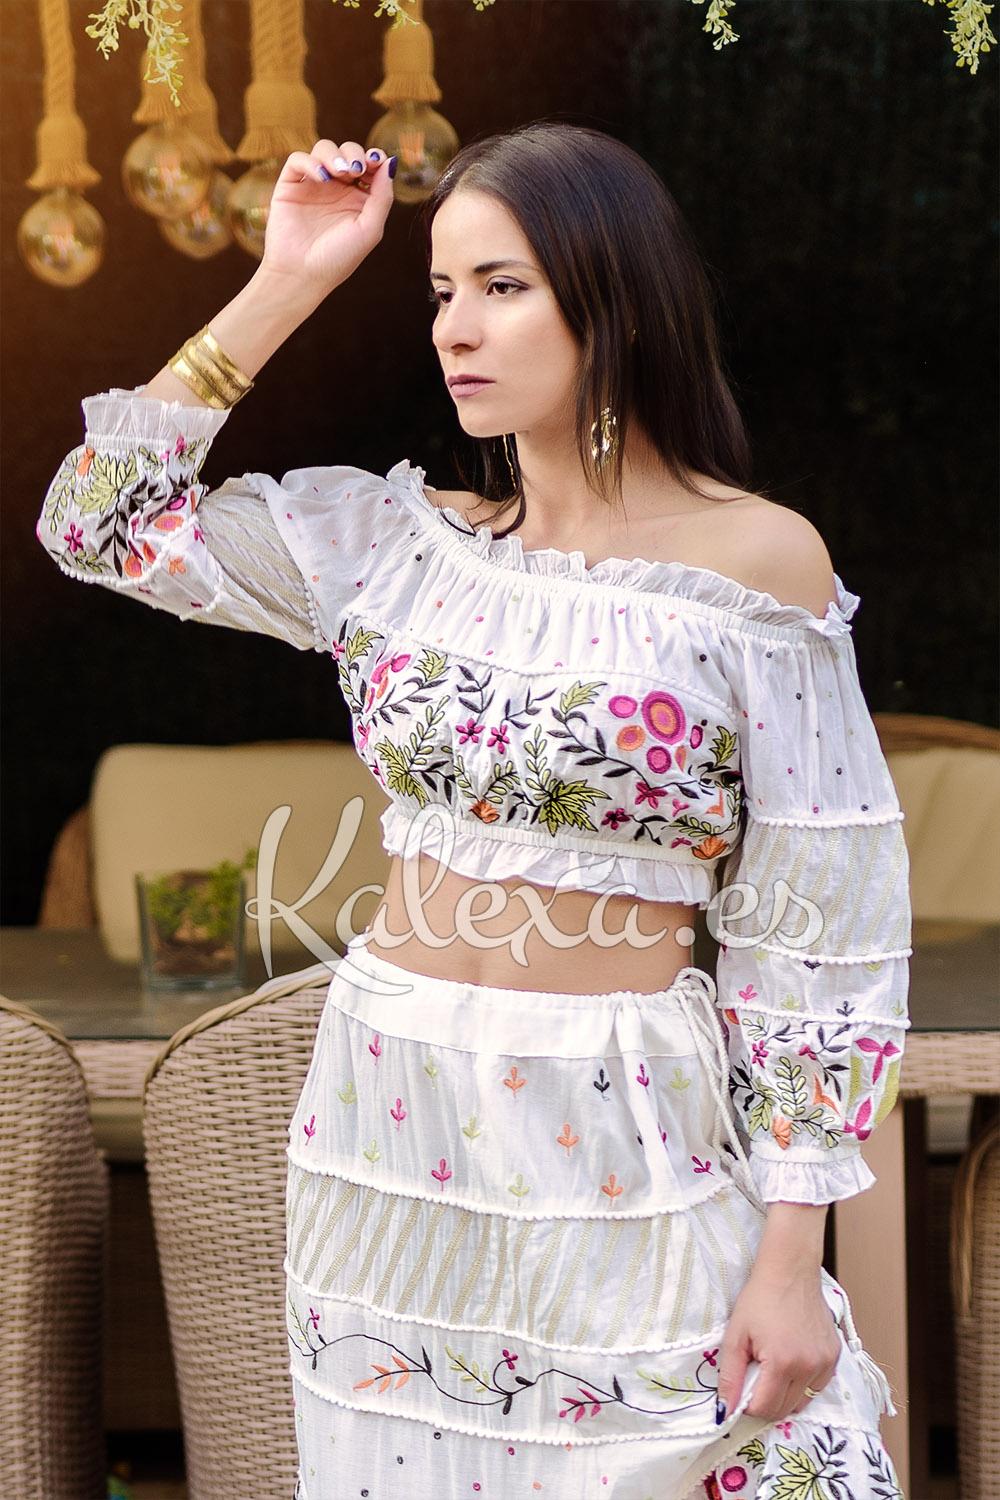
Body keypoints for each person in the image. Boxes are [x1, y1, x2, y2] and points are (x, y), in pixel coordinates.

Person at [37, 122, 911, 1500]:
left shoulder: (754, 564)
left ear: (615, 299)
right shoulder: (394, 548)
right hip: (391, 1118)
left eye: (503, 286)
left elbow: (819, 928)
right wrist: (289, 277)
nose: (456, 326)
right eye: (442, 290)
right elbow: (99, 522)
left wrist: (794, 1256)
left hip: (627, 1122)